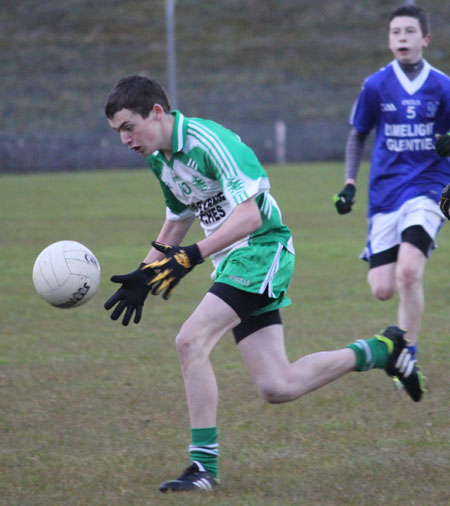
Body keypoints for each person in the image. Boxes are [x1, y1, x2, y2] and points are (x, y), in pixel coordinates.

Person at [104, 74, 424, 493]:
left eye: (129, 126)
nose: (125, 138)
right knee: (277, 385)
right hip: (235, 259)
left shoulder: (208, 142)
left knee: (190, 341)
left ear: (157, 112)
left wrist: (191, 258)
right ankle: (384, 349)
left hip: (261, 249)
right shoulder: (160, 159)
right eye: (118, 132)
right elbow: (178, 219)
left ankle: (203, 468)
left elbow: (251, 217)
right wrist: (144, 274)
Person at [334, 5, 450, 368]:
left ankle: (406, 353)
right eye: (395, 32)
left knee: (409, 272)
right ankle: (398, 345)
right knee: (383, 289)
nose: (402, 37)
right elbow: (358, 137)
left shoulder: (443, 85)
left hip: (430, 188)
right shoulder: (376, 85)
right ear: (389, 40)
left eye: (409, 31)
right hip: (385, 194)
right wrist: (349, 184)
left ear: (425, 39)